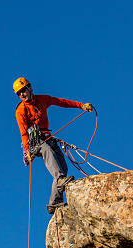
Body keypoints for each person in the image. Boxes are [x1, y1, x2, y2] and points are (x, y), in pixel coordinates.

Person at [13, 77, 93, 214]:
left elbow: (61, 102)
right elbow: (24, 132)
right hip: (34, 142)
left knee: (62, 166)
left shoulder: (43, 99)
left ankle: (54, 202)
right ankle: (60, 181)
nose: (21, 95)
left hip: (47, 137)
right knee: (47, 150)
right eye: (18, 93)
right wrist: (27, 151)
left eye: (23, 91)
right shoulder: (20, 111)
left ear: (30, 88)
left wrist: (81, 105)